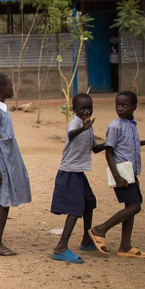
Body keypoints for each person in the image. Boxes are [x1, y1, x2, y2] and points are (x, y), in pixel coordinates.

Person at [88, 91, 145, 259]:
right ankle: (100, 229)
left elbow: (129, 144)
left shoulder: (132, 125)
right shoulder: (115, 126)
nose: (120, 108)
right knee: (135, 206)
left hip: (131, 172)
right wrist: (117, 176)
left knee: (130, 208)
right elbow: (109, 152)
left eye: (124, 106)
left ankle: (125, 246)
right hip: (122, 174)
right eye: (117, 105)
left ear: (134, 107)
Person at [0, 74, 30, 256]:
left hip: (7, 161)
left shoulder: (2, 109)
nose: (12, 88)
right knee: (3, 201)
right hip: (0, 162)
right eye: (10, 86)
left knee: (5, 199)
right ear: (2, 89)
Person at [48, 93, 99, 263]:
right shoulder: (76, 123)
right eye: (82, 108)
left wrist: (113, 143)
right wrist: (83, 127)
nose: (87, 111)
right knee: (75, 208)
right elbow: (71, 135)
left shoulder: (88, 125)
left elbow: (95, 148)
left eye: (89, 107)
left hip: (79, 171)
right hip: (70, 171)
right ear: (74, 109)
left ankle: (86, 239)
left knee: (89, 202)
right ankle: (61, 247)